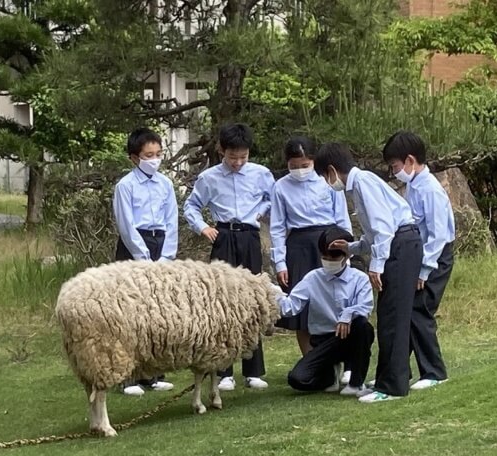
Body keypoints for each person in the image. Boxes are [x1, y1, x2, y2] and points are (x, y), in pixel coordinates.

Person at [314, 143, 423, 403]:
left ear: (331, 171)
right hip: (399, 244)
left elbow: (384, 228)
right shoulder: (361, 183)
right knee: (388, 314)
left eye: (325, 177)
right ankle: (390, 373)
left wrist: (377, 265)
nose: (328, 184)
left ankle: (392, 386)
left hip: (401, 246)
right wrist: (352, 248)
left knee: (393, 315)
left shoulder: (362, 182)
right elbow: (374, 233)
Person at [184, 123, 275, 392]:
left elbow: (273, 198)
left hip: (249, 236)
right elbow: (191, 205)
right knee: (222, 303)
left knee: (253, 300)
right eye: (232, 157)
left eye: (243, 157)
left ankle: (254, 370)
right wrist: (203, 227)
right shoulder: (209, 177)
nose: (237, 163)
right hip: (223, 236)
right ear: (222, 151)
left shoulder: (261, 174)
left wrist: (261, 211)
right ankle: (223, 371)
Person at [383, 131, 455, 390]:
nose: (395, 173)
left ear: (410, 160)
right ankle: (400, 370)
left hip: (435, 258)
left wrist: (424, 271)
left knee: (419, 311)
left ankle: (434, 371)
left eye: (395, 166)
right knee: (409, 311)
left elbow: (439, 235)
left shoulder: (431, 189)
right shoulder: (414, 185)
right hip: (422, 257)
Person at [270, 136, 352, 356]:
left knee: (335, 301)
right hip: (298, 245)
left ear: (314, 161)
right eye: (293, 166)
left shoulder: (328, 181)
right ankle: (310, 361)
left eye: (304, 166)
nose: (299, 170)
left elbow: (342, 218)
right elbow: (277, 227)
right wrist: (279, 262)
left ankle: (341, 359)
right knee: (302, 308)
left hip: (328, 240)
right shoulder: (281, 187)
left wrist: (348, 250)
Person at [113, 127, 178, 396]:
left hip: (160, 243)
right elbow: (126, 225)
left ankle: (152, 374)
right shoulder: (125, 186)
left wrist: (166, 256)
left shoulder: (166, 184)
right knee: (131, 316)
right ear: (134, 157)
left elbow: (172, 220)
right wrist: (143, 259)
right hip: (134, 248)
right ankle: (127, 377)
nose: (154, 159)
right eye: (148, 155)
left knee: (157, 316)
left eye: (158, 154)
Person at [277, 228, 375, 395]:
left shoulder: (359, 279)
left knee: (363, 326)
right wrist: (271, 293)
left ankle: (356, 383)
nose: (329, 261)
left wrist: (347, 314)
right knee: (297, 379)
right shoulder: (312, 278)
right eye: (325, 257)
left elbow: (365, 307)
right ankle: (329, 376)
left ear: (347, 256)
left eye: (334, 257)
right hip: (323, 341)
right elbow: (290, 307)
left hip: (349, 336)